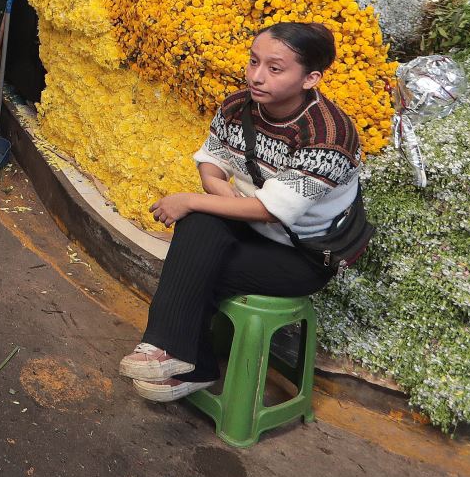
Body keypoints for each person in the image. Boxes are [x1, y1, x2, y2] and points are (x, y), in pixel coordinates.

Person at [119, 22, 362, 403]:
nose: (256, 76)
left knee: (195, 258)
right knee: (200, 226)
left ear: (310, 78)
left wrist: (193, 200)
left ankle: (185, 359)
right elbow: (210, 163)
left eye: (275, 68)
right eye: (253, 62)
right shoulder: (238, 106)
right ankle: (170, 352)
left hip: (302, 257)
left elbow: (271, 212)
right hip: (251, 228)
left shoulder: (329, 135)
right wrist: (220, 199)